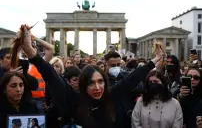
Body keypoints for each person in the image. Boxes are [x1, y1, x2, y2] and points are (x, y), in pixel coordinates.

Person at [21, 24, 163, 128]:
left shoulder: (112, 96)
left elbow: (132, 78)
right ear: (83, 84)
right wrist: (30, 51)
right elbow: (50, 75)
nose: (97, 87)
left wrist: (155, 60)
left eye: (100, 81)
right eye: (91, 83)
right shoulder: (73, 98)